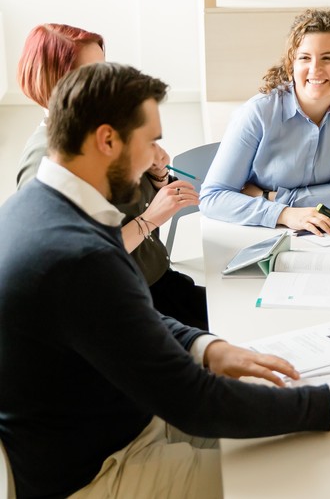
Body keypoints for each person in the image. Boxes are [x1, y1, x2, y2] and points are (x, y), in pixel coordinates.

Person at [0, 62, 330, 498]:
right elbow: (195, 404)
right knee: (316, 471)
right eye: (150, 141)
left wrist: (206, 346)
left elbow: (121, 315)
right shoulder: (78, 256)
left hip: (114, 425)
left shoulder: (37, 208)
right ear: (107, 140)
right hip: (103, 472)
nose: (156, 157)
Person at [16, 23, 208, 329]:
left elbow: (136, 207)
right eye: (92, 75)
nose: (108, 85)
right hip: (121, 303)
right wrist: (150, 220)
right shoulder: (43, 163)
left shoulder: (103, 130)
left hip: (158, 282)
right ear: (57, 83)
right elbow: (73, 265)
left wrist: (158, 176)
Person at [199, 9, 330, 236]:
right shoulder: (258, 112)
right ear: (292, 63)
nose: (315, 69)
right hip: (259, 233)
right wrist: (284, 214)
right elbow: (212, 197)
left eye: (328, 58)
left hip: (320, 234)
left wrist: (269, 197)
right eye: (304, 57)